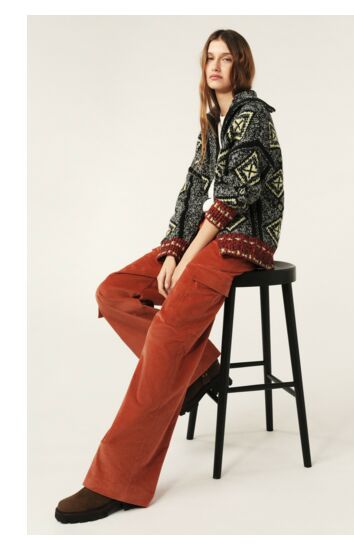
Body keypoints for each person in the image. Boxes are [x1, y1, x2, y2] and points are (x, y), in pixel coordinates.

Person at [55, 28, 285, 524]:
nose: (215, 66)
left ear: (241, 66)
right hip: (204, 238)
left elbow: (234, 200)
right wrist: (170, 253)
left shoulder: (253, 116)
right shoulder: (212, 119)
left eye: (226, 58)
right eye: (209, 57)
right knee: (114, 290)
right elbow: (191, 192)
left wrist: (189, 257)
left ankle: (116, 481)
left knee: (163, 342)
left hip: (240, 242)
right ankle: (199, 365)